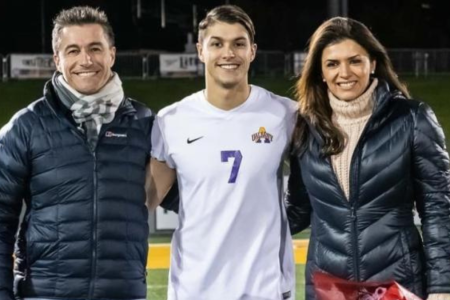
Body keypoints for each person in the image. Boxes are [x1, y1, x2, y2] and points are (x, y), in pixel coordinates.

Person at [0, 6, 176, 300]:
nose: (86, 60)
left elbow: (192, 199)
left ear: (112, 54)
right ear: (57, 59)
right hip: (44, 294)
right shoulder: (26, 126)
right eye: (73, 51)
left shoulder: (146, 124)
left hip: (123, 292)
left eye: (95, 48)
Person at [285, 17, 450, 300]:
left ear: (372, 64)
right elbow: (297, 210)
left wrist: (442, 288)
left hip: (398, 283)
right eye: (332, 64)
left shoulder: (413, 119)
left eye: (355, 61)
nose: (344, 72)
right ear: (320, 72)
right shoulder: (304, 128)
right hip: (328, 288)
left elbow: (438, 210)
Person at [147, 5, 297, 300]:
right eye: (217, 44)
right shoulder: (171, 121)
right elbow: (144, 200)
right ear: (201, 50)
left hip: (265, 289)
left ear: (252, 51)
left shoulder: (284, 114)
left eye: (238, 43)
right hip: (195, 289)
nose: (228, 53)